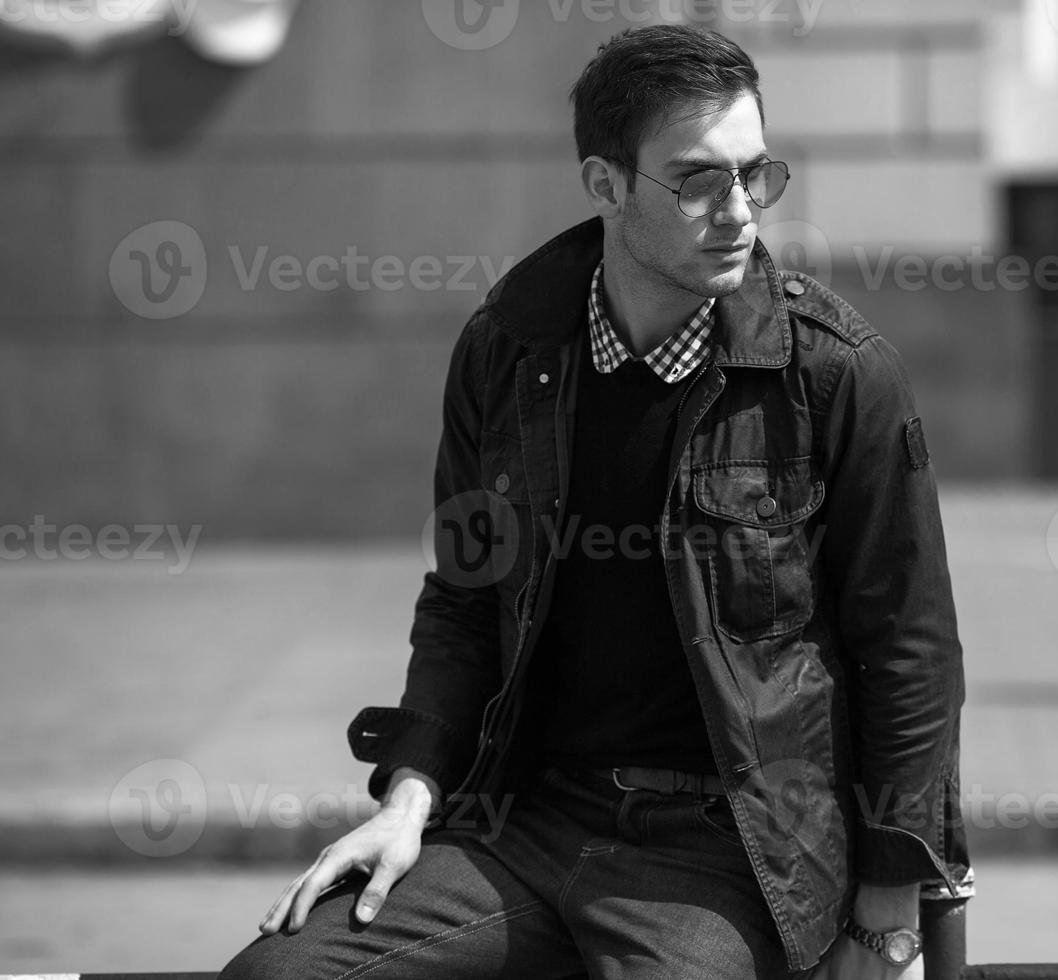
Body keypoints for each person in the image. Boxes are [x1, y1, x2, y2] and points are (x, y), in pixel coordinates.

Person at [220, 23, 969, 980]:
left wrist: (888, 909)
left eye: (757, 174)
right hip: (526, 825)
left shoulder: (833, 373)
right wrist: (409, 797)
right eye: (698, 179)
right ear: (606, 185)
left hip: (735, 848)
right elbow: (464, 598)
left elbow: (911, 647)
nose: (739, 209)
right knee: (275, 976)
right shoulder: (508, 350)